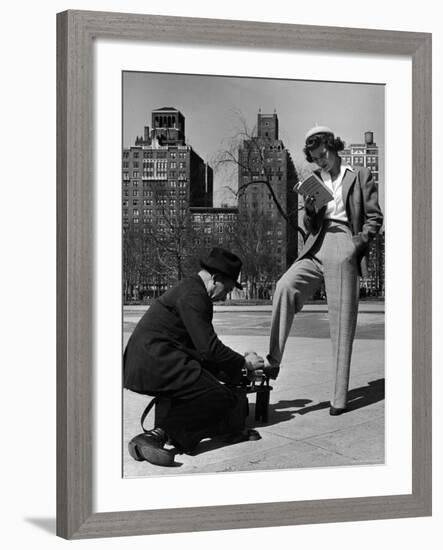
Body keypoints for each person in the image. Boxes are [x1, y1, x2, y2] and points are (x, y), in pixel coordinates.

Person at [266, 125, 383, 414]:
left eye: (324, 155)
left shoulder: (359, 175)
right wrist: (311, 210)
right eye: (316, 158)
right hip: (316, 243)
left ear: (333, 146)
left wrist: (358, 244)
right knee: (285, 286)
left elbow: (374, 217)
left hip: (345, 241)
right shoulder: (313, 180)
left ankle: (339, 399)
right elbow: (310, 227)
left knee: (341, 323)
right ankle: (273, 361)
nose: (321, 161)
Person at [123, 247, 265, 466]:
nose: (225, 297)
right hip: (155, 363)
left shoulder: (190, 288)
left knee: (209, 387)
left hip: (150, 361)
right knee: (221, 397)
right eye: (226, 290)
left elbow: (198, 350)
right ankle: (156, 437)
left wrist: (231, 372)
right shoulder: (194, 296)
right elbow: (210, 349)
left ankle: (161, 436)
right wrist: (244, 363)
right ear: (215, 279)